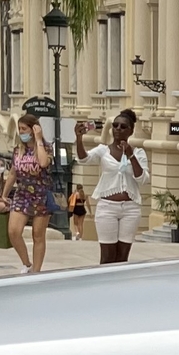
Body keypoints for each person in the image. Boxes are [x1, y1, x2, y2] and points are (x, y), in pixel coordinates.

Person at [76, 109, 150, 265]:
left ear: (131, 130)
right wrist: (78, 138)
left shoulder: (138, 152)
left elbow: (142, 178)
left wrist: (131, 155)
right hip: (107, 208)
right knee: (107, 256)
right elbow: (84, 159)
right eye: (115, 125)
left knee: (122, 258)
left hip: (130, 209)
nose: (118, 129)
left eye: (123, 127)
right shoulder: (103, 150)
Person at [0, 110, 55, 273]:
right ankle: (26, 263)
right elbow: (12, 173)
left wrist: (38, 139)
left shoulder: (45, 147)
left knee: (38, 235)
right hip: (22, 193)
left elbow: (44, 163)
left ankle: (36, 270)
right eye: (20, 128)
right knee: (13, 231)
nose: (21, 132)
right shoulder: (18, 150)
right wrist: (4, 193)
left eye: (24, 128)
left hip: (41, 195)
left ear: (33, 129)